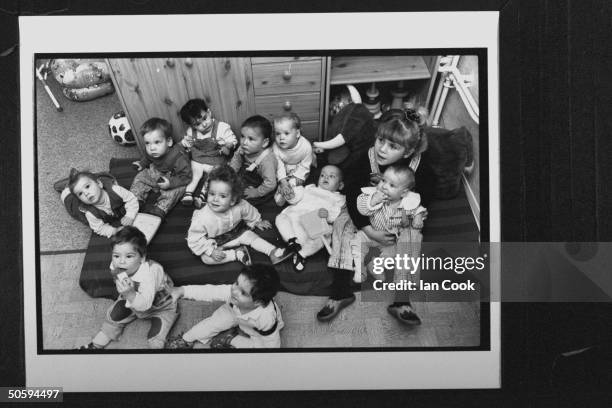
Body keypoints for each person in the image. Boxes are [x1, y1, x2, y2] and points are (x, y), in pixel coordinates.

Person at [317, 108, 434, 325]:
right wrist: (367, 229)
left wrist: (413, 216)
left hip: (398, 214)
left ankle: (401, 301)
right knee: (342, 223)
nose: (383, 148)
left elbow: (425, 196)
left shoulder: (419, 166)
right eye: (381, 140)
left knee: (413, 235)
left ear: (407, 152)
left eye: (393, 146)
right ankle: (341, 291)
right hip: (366, 209)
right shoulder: (367, 157)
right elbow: (351, 194)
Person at [78, 226, 178, 349]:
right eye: (116, 256)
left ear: (142, 258)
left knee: (156, 335)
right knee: (114, 316)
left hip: (160, 305)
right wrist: (127, 293)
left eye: (129, 256)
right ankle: (95, 345)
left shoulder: (151, 272)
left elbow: (145, 304)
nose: (121, 262)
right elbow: (120, 284)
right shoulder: (115, 266)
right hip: (131, 298)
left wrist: (130, 294)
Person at [186, 165, 292, 266]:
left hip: (237, 232)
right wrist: (210, 251)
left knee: (250, 236)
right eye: (212, 193)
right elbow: (194, 238)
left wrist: (257, 221)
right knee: (206, 258)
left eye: (222, 196)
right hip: (216, 242)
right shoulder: (202, 218)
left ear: (232, 200)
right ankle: (237, 254)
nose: (215, 199)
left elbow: (249, 211)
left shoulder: (239, 205)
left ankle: (273, 251)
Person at [166, 263, 283, 349]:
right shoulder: (233, 294)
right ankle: (186, 339)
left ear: (257, 302)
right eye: (236, 283)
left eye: (243, 293)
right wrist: (182, 290)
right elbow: (210, 291)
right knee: (212, 323)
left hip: (254, 328)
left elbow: (272, 342)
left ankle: (230, 338)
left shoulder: (266, 317)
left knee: (259, 350)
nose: (234, 290)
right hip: (233, 311)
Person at [353, 164, 427, 283]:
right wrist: (373, 201)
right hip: (369, 233)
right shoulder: (372, 195)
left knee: (395, 253)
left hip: (389, 239)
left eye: (392, 185)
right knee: (356, 242)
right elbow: (362, 210)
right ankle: (359, 267)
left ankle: (375, 266)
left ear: (403, 193)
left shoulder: (407, 202)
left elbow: (418, 209)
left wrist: (418, 217)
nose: (384, 186)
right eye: (383, 180)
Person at [275, 165, 346, 271]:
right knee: (280, 218)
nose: (325, 178)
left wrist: (327, 214)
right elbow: (294, 199)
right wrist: (290, 192)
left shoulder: (338, 198)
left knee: (319, 240)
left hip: (313, 224)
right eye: (322, 175)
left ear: (340, 185)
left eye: (331, 176)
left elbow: (335, 215)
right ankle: (292, 242)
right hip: (294, 220)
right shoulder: (309, 188)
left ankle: (301, 254)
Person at [179, 98, 238, 208]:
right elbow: (186, 142)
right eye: (197, 124)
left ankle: (202, 195)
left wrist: (228, 146)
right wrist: (186, 145)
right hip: (198, 158)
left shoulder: (222, 127)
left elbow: (233, 140)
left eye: (205, 118)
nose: (204, 124)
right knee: (195, 175)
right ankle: (188, 194)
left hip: (215, 159)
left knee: (213, 176)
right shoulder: (191, 132)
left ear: (209, 112)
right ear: (192, 126)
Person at [130, 118, 192, 218]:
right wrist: (141, 163)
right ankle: (135, 200)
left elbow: (187, 177)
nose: (152, 148)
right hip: (157, 172)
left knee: (177, 191)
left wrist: (170, 183)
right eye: (147, 143)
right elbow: (147, 157)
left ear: (169, 142)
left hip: (173, 177)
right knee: (140, 177)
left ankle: (160, 209)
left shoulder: (178, 157)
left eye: (157, 142)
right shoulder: (150, 151)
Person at [61, 168, 139, 238]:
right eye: (80, 194)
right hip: (69, 198)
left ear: (99, 184)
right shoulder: (90, 213)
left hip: (99, 182)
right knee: (70, 200)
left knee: (88, 179)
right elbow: (99, 228)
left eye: (87, 187)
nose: (86, 193)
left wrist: (130, 215)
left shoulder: (115, 190)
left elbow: (131, 199)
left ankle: (76, 177)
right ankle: (66, 186)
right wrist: (115, 231)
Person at [229, 115, 277, 206]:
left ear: (264, 143)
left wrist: (256, 192)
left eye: (251, 139)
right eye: (242, 136)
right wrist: (231, 172)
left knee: (243, 201)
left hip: (262, 185)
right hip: (246, 174)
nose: (244, 142)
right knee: (227, 185)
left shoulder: (267, 161)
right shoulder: (244, 148)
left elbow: (270, 184)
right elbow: (236, 159)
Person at [272, 112, 314, 206]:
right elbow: (279, 166)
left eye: (286, 133)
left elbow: (305, 164)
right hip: (284, 168)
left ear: (297, 133)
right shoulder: (276, 147)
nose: (281, 138)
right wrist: (283, 181)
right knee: (277, 175)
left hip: (299, 168)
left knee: (297, 182)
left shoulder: (305, 146)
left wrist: (296, 178)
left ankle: (292, 192)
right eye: (278, 134)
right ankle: (283, 189)